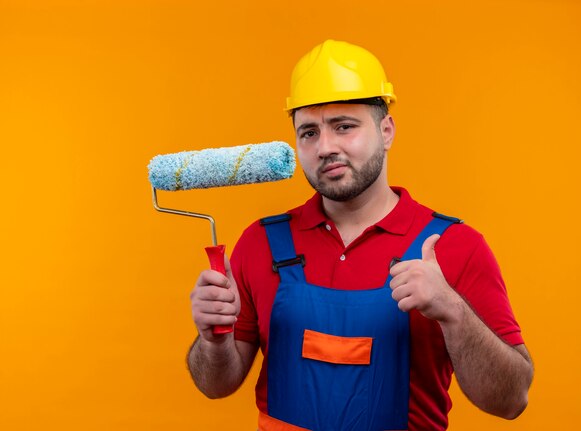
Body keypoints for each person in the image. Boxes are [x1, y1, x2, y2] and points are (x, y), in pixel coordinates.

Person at [187, 40, 533, 431]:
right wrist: (213, 340)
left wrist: (453, 311)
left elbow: (511, 400)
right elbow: (215, 385)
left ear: (386, 131)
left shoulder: (453, 247)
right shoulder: (260, 243)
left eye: (344, 127)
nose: (325, 147)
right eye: (309, 133)